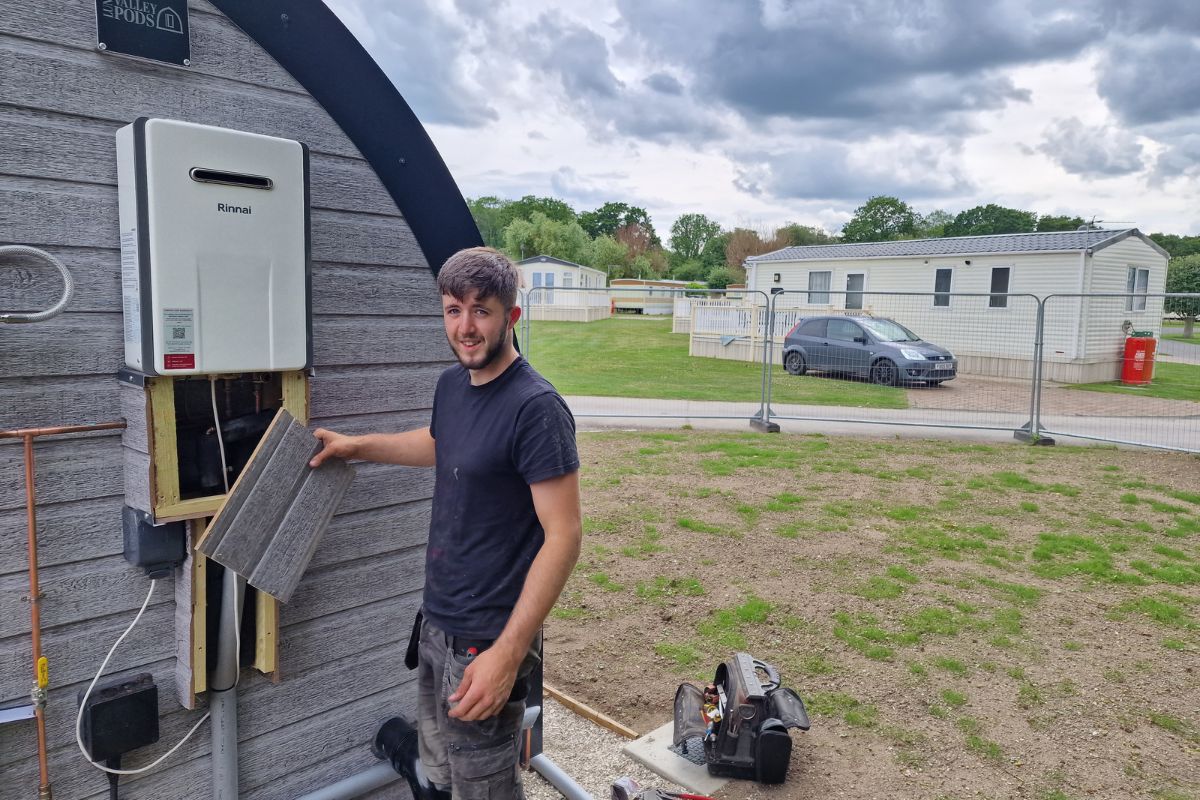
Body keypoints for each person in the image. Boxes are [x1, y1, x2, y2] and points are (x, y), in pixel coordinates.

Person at [309, 247, 582, 799]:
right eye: (453, 310)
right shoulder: (452, 386)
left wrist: (507, 654)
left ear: (512, 316)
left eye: (481, 311)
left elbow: (565, 536)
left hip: (487, 638)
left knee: (483, 789)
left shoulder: (536, 409)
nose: (466, 327)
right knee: (437, 776)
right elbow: (440, 445)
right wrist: (356, 446)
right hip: (437, 622)